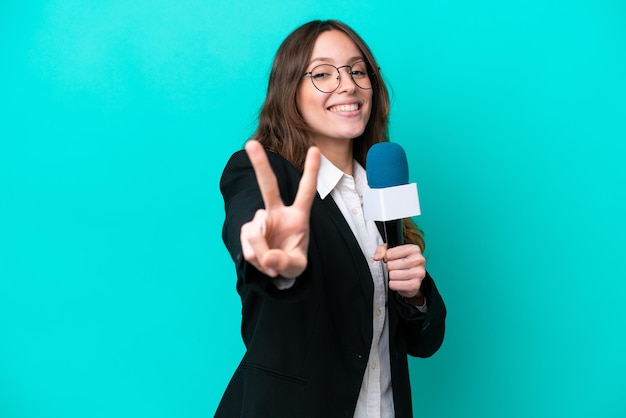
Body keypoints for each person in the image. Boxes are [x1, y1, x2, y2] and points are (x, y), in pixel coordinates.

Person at [216, 19, 446, 418]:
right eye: (322, 73)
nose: (348, 85)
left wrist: (416, 295)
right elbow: (253, 231)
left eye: (358, 70)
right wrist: (271, 255)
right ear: (290, 91)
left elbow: (425, 342)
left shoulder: (381, 185)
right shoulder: (264, 175)